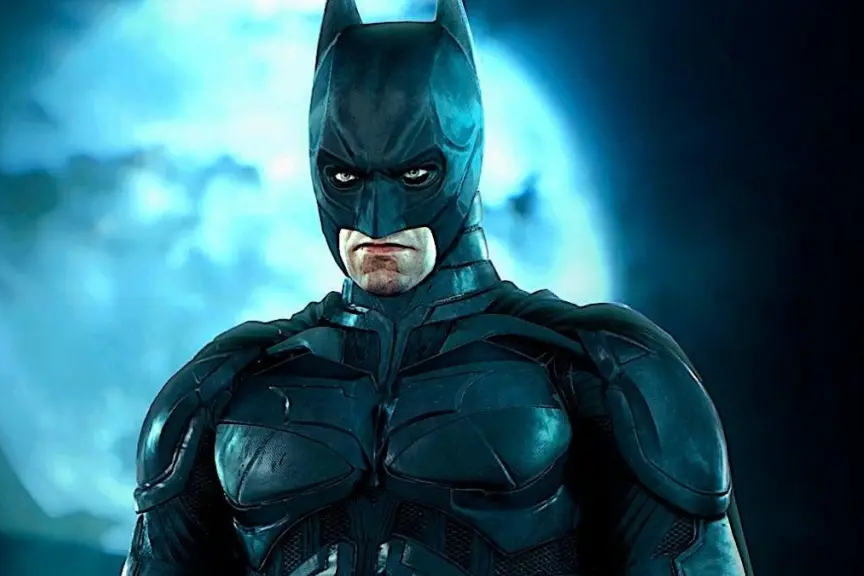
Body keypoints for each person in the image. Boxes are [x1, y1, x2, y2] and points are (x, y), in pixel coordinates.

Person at [122, 0, 753, 574]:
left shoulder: (597, 367)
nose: (376, 219)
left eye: (415, 175)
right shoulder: (226, 386)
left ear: (465, 163)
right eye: (345, 178)